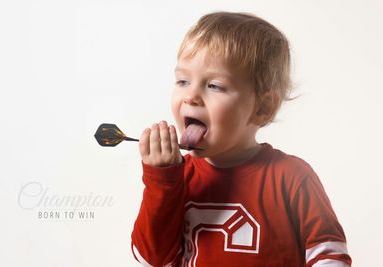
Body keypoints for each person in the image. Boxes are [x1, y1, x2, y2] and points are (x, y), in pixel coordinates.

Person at [131, 11, 351, 267]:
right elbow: (152, 259)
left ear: (262, 108)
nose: (191, 96)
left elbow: (329, 255)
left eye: (214, 85)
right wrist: (161, 181)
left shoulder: (291, 176)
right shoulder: (178, 179)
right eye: (182, 80)